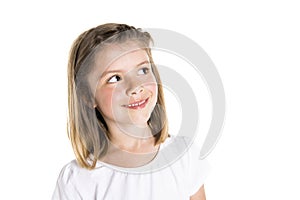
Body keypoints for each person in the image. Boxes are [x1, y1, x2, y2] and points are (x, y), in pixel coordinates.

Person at [52, 23, 210, 200]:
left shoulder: (183, 155)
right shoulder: (78, 180)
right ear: (87, 96)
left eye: (142, 70)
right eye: (114, 78)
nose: (135, 87)